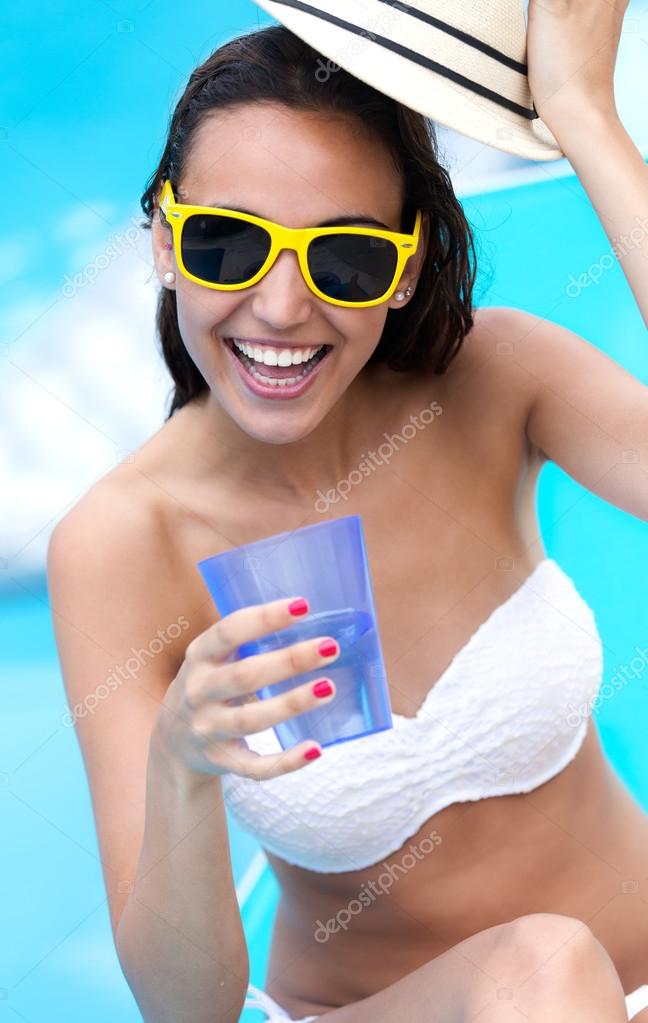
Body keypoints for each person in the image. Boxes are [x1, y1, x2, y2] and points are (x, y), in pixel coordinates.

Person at [47, 1, 648, 1021]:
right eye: (230, 246)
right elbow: (183, 1010)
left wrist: (586, 112)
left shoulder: (494, 380)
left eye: (347, 260)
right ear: (162, 241)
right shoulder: (122, 543)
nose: (282, 307)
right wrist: (183, 769)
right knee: (545, 967)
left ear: (405, 269)